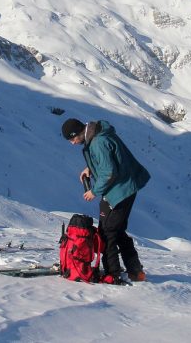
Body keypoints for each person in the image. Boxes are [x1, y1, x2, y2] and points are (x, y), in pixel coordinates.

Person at [61, 117, 151, 284]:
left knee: (107, 233)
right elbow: (111, 160)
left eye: (72, 139)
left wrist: (94, 191)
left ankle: (112, 273)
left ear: (79, 132)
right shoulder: (98, 135)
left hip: (120, 191)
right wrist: (91, 168)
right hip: (125, 188)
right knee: (117, 231)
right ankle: (135, 271)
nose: (72, 143)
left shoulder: (98, 142)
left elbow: (109, 172)